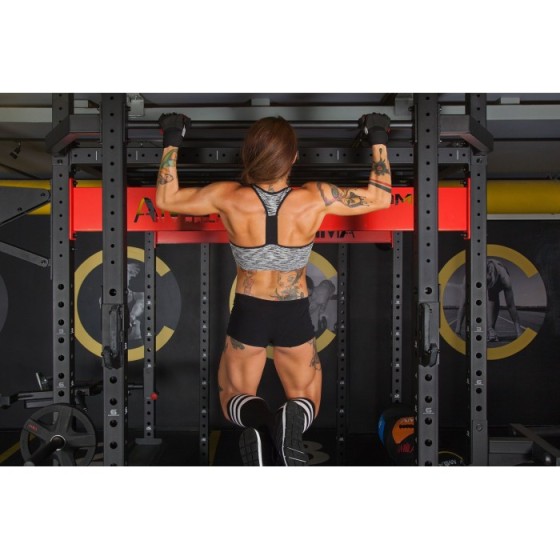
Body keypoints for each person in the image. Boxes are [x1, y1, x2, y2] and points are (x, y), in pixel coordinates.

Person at [155, 112, 392, 466]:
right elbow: (380, 198)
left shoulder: (228, 196)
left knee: (232, 395)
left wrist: (172, 136)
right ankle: (284, 422)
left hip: (249, 309)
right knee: (306, 398)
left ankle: (262, 422)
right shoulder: (314, 197)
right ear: (293, 158)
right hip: (293, 311)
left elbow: (166, 198)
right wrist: (378, 135)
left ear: (248, 155)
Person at [455, 258, 523, 341]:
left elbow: (511, 306)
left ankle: (491, 329)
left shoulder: (504, 278)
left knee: (493, 296)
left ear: (490, 274)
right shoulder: (468, 277)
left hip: (497, 278)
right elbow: (463, 304)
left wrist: (519, 333)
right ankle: (490, 330)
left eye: (485, 282)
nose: (484, 286)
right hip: (487, 277)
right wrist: (457, 332)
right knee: (465, 301)